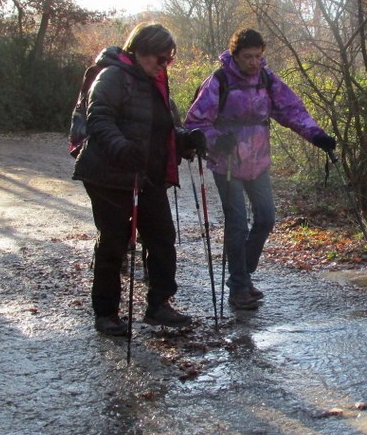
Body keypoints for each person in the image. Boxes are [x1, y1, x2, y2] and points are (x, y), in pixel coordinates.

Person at [185, 28, 336, 310]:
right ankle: (239, 286)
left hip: (258, 162)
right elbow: (194, 123)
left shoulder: (267, 79)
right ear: (235, 55)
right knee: (238, 224)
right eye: (248, 57)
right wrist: (217, 139)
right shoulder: (218, 81)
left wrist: (317, 136)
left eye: (258, 56)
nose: (254, 62)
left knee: (265, 219)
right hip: (227, 162)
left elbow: (293, 111)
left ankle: (242, 272)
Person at [72, 22, 205, 336]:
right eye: (161, 58)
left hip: (148, 175)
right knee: (115, 242)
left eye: (168, 60)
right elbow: (98, 119)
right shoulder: (112, 76)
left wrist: (187, 140)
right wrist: (120, 148)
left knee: (161, 238)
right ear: (140, 51)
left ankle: (159, 305)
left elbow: (165, 129)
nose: (164, 65)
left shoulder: (156, 83)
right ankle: (106, 314)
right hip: (108, 174)